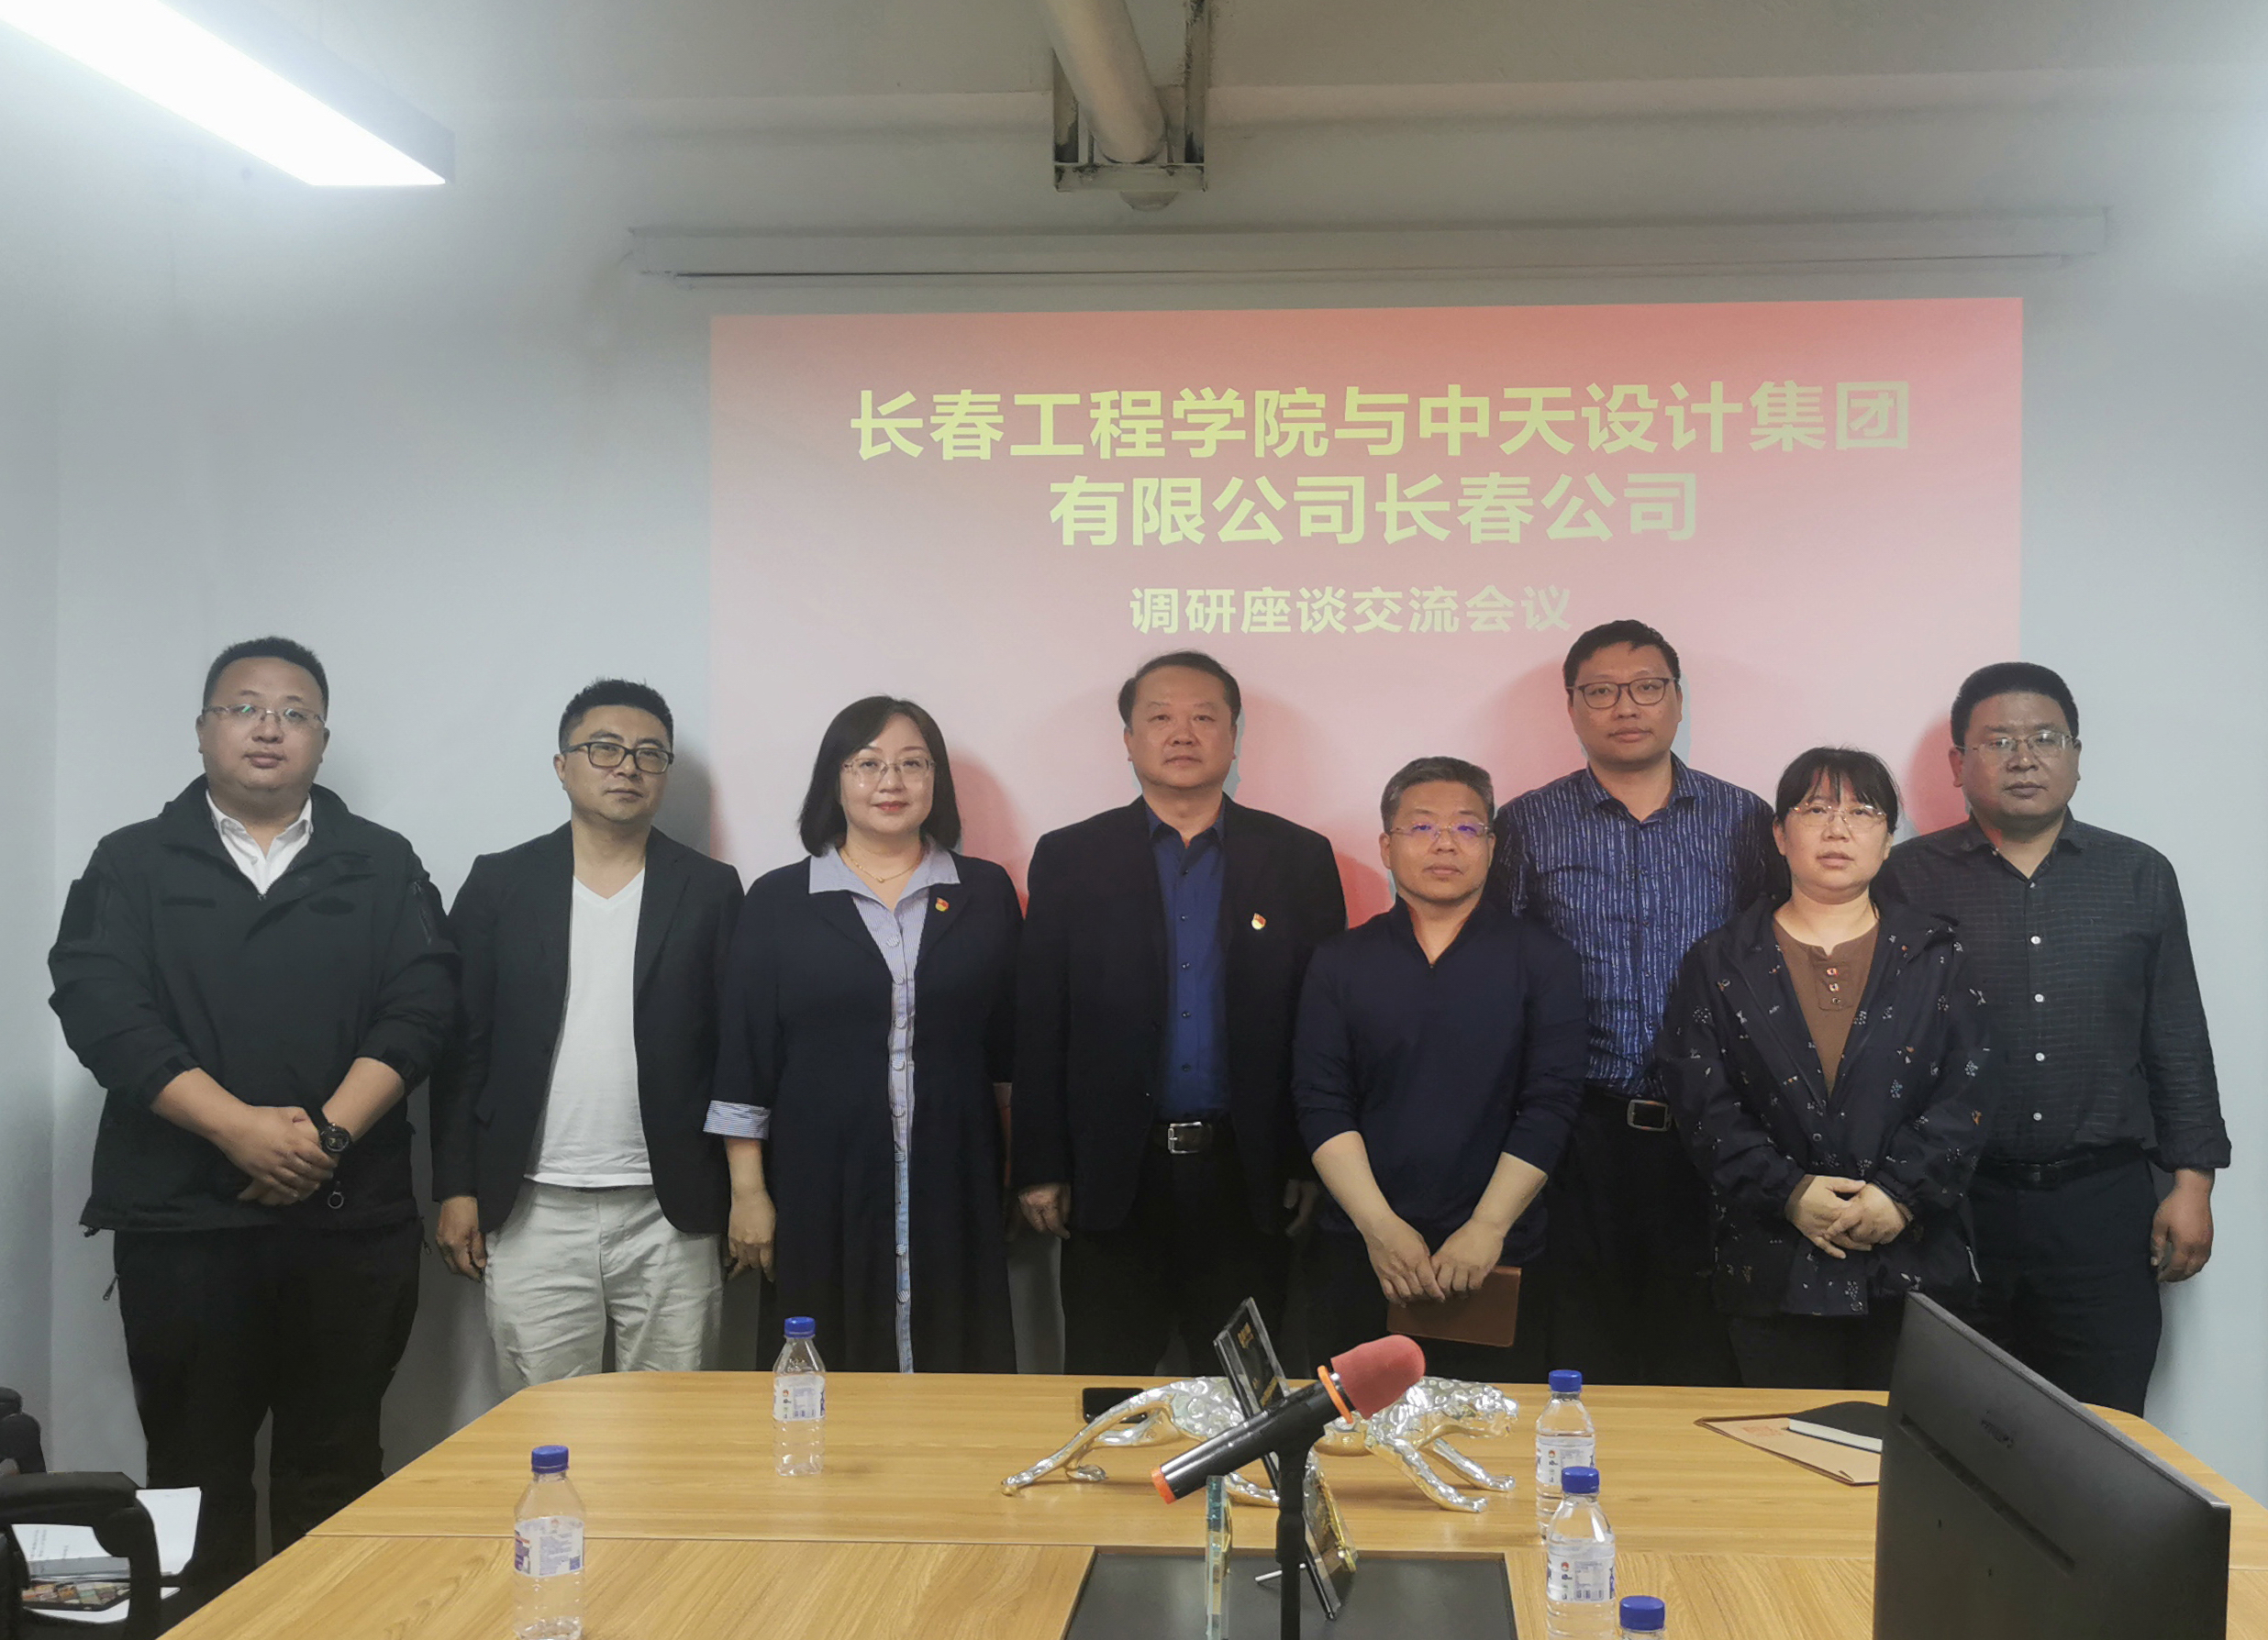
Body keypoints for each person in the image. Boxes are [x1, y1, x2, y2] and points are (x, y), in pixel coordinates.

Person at [47, 637, 455, 1599]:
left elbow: (425, 1005)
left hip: (348, 1223)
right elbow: (101, 1007)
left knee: (337, 1467)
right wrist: (235, 1127)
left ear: (322, 740)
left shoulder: (382, 861)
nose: (269, 727)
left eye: (295, 712)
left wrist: (327, 1137)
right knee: (193, 1476)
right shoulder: (130, 861)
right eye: (244, 707)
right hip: (184, 1225)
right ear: (202, 731)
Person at [1875, 663, 2228, 1414]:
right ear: (1957, 764)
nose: (2024, 758)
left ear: (2076, 754)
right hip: (1952, 1205)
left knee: (2101, 1434)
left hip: (2102, 1208)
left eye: (2045, 738)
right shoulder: (1906, 879)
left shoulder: (2137, 875)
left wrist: (2193, 1184)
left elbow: (2177, 1038)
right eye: (1999, 741)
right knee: (1951, 1428)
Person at [1015, 650, 1347, 1374]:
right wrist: (1041, 1164)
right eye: (1160, 717)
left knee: (1247, 1398)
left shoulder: (1298, 858)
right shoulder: (1071, 857)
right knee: (1109, 1389)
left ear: (1234, 735)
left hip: (1248, 1175)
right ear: (1128, 739)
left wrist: (1308, 1158)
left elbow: (1322, 1028)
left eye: (1204, 717)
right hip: (1112, 1173)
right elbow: (1040, 1018)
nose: (1183, 733)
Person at [428, 681, 743, 1387]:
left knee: (672, 1423)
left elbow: (736, 1050)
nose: (627, 766)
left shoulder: (710, 889)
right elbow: (462, 1049)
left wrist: (745, 1192)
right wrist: (456, 1188)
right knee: (545, 1424)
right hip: (531, 1206)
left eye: (649, 753)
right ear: (562, 765)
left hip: (671, 1210)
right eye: (605, 748)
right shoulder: (500, 884)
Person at [1654, 748, 1996, 1391]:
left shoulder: (1937, 954)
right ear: (1780, 835)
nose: (1838, 829)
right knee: (1779, 1445)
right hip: (1772, 1266)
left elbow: (1969, 1091)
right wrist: (1787, 1192)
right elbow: (1702, 1102)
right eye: (1816, 810)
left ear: (1888, 841)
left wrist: (1898, 1196)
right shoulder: (1720, 960)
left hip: (1911, 1264)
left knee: (1904, 1447)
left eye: (1862, 812)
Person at [1494, 618, 1775, 1386]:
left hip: (1717, 1127)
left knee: (1703, 1356)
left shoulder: (1746, 820)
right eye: (1602, 692)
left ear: (1677, 699)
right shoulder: (1526, 824)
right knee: (1583, 1351)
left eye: (1647, 687)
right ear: (1572, 706)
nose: (1627, 706)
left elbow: (1775, 960)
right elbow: (1500, 969)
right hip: (1578, 1131)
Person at [708, 696, 1019, 1372]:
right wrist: (749, 1193)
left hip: (954, 1174)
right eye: (868, 764)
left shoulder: (986, 892)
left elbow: (1008, 1050)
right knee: (824, 1365)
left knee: (959, 1365)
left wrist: (1017, 1168)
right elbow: (745, 1055)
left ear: (936, 781)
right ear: (836, 780)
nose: (891, 782)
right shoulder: (779, 900)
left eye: (913, 764)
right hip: (820, 1178)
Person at [1295, 758, 1587, 1380]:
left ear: (1492, 846)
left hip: (1498, 1250)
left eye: (1467, 827)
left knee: (1492, 1429)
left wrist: (1487, 1228)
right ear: (1387, 846)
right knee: (1353, 1426)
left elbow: (1551, 1103)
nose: (1445, 843)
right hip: (1363, 1248)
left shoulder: (1542, 959)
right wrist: (1379, 1228)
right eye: (1422, 827)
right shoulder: (1341, 962)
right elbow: (1321, 1101)